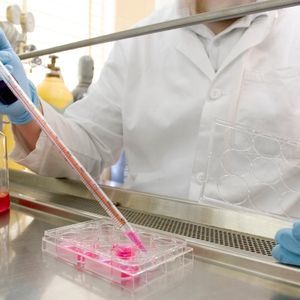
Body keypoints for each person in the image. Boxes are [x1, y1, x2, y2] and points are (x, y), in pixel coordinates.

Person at [0, 0, 299, 265]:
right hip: (144, 257)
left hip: (272, 262)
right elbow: (88, 144)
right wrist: (25, 108)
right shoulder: (140, 40)